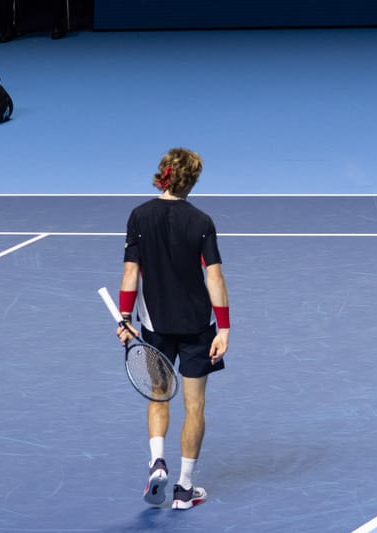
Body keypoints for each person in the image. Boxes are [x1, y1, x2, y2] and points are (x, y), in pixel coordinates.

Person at [115, 147, 230, 510]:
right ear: (192, 181)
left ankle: (157, 462)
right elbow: (214, 276)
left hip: (154, 326)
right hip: (198, 327)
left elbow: (131, 272)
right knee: (195, 407)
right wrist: (223, 328)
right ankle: (184, 488)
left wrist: (124, 318)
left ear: (162, 173)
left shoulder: (139, 217)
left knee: (159, 395)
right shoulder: (201, 222)